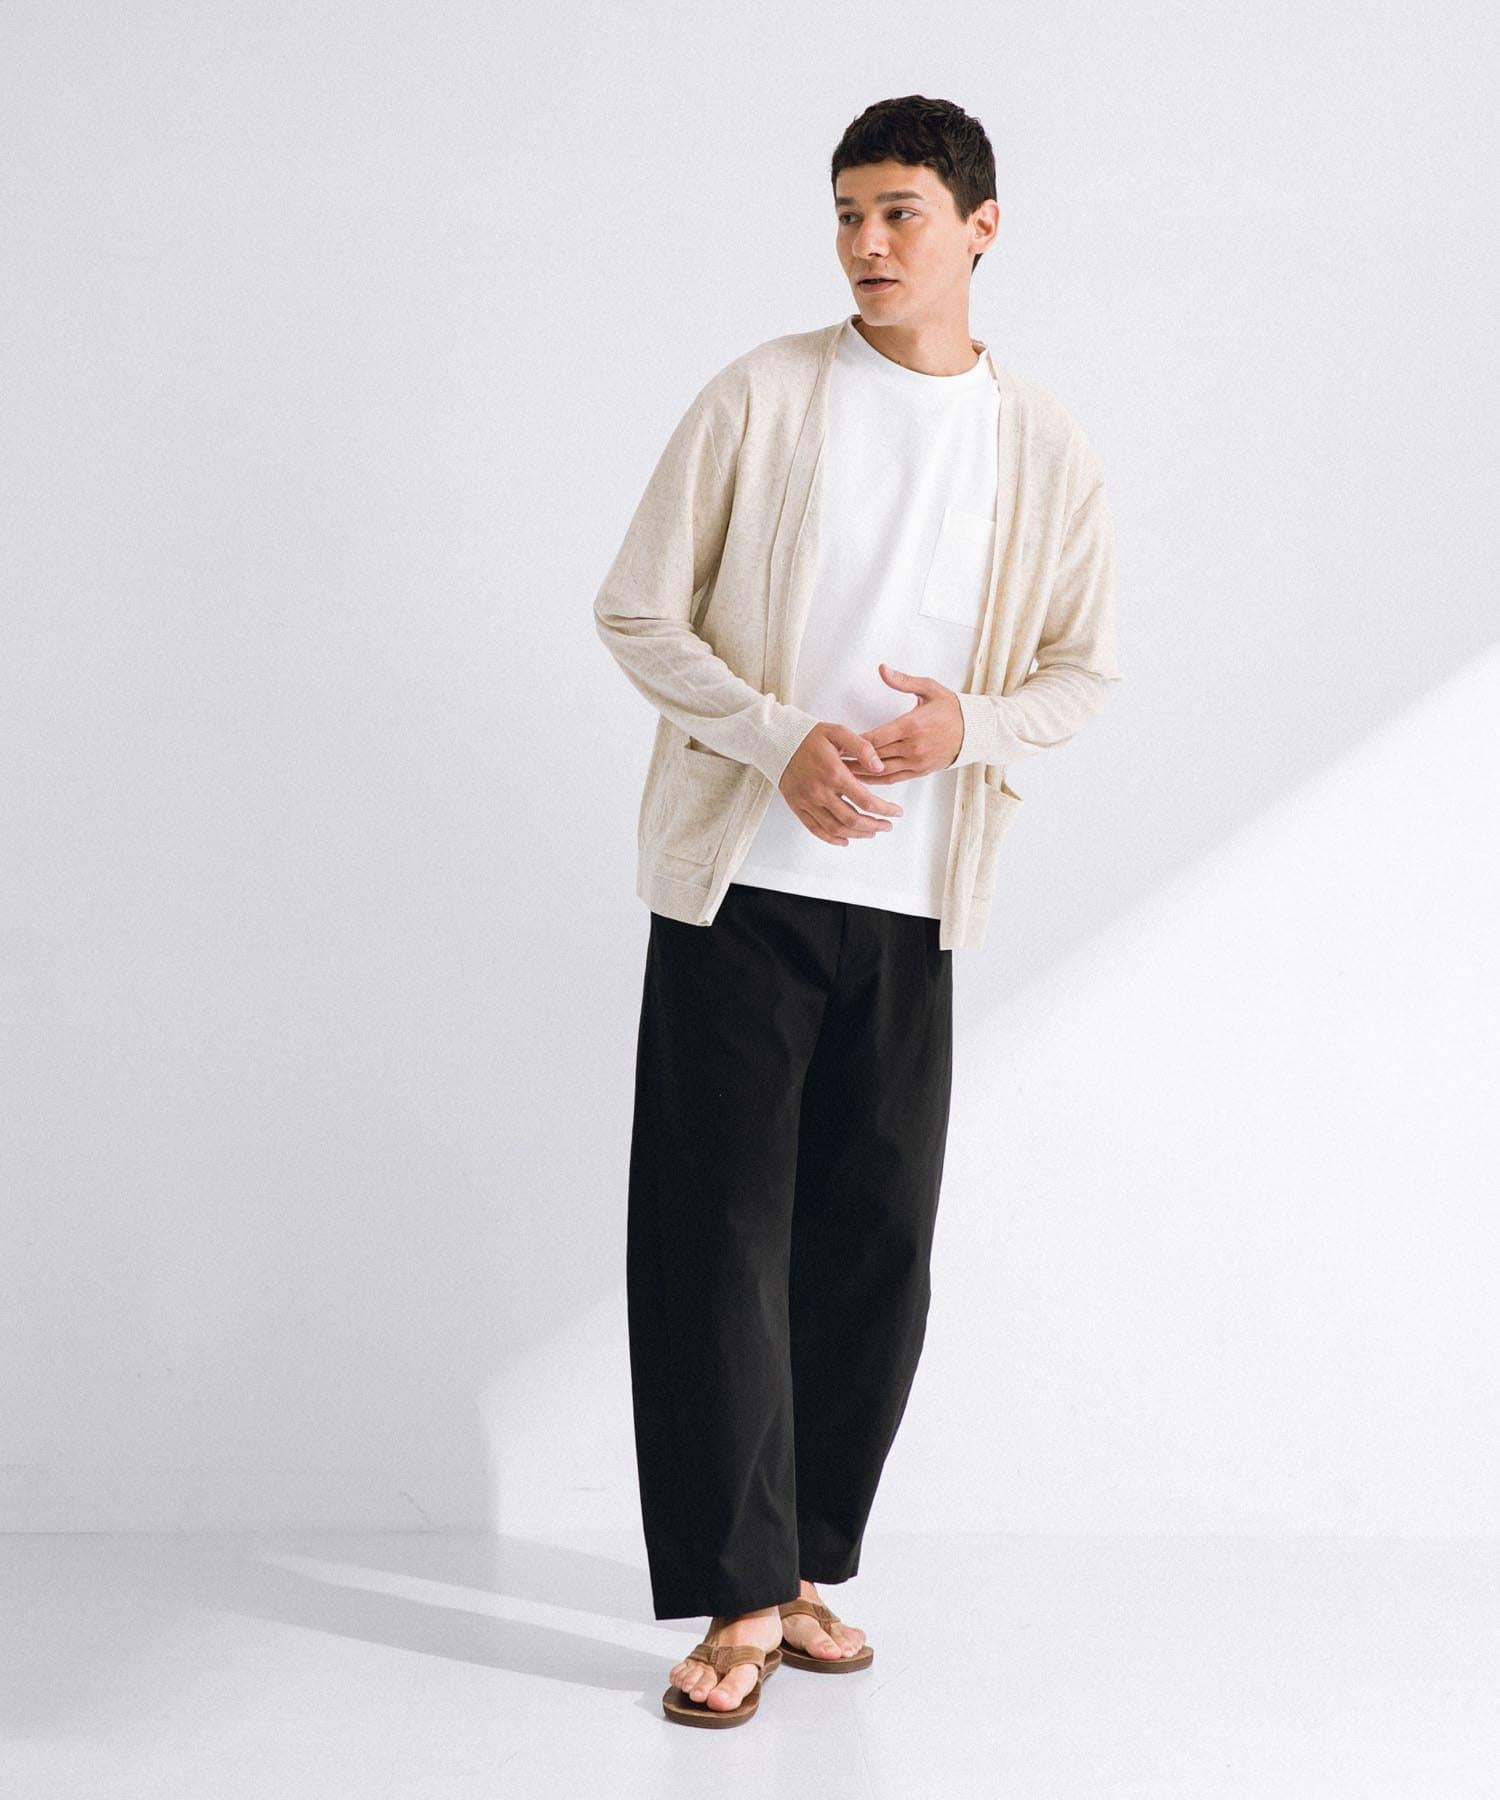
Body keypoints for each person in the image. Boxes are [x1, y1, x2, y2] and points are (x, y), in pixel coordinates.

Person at [593, 94, 1123, 1728]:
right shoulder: (764, 395)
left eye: (900, 213)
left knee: (876, 1251)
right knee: (717, 1243)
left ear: (980, 227)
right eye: (846, 214)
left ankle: (806, 1559)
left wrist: (970, 726)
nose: (867, 245)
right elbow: (637, 613)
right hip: (742, 891)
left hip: (913, 904)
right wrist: (777, 741)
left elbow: (1080, 672)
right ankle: (739, 1597)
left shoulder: (1042, 443)